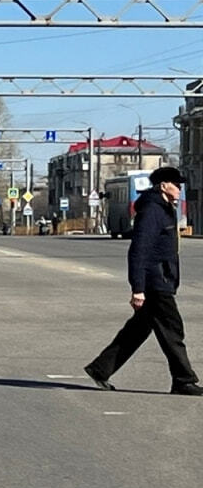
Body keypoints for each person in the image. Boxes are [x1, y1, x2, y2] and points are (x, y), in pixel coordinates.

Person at [85, 165, 203, 396]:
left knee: (137, 330)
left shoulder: (165, 208)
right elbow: (139, 250)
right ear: (163, 186)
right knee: (172, 330)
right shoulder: (152, 211)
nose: (179, 189)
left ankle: (100, 369)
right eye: (176, 185)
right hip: (155, 282)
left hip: (162, 279)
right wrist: (138, 288)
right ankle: (183, 380)